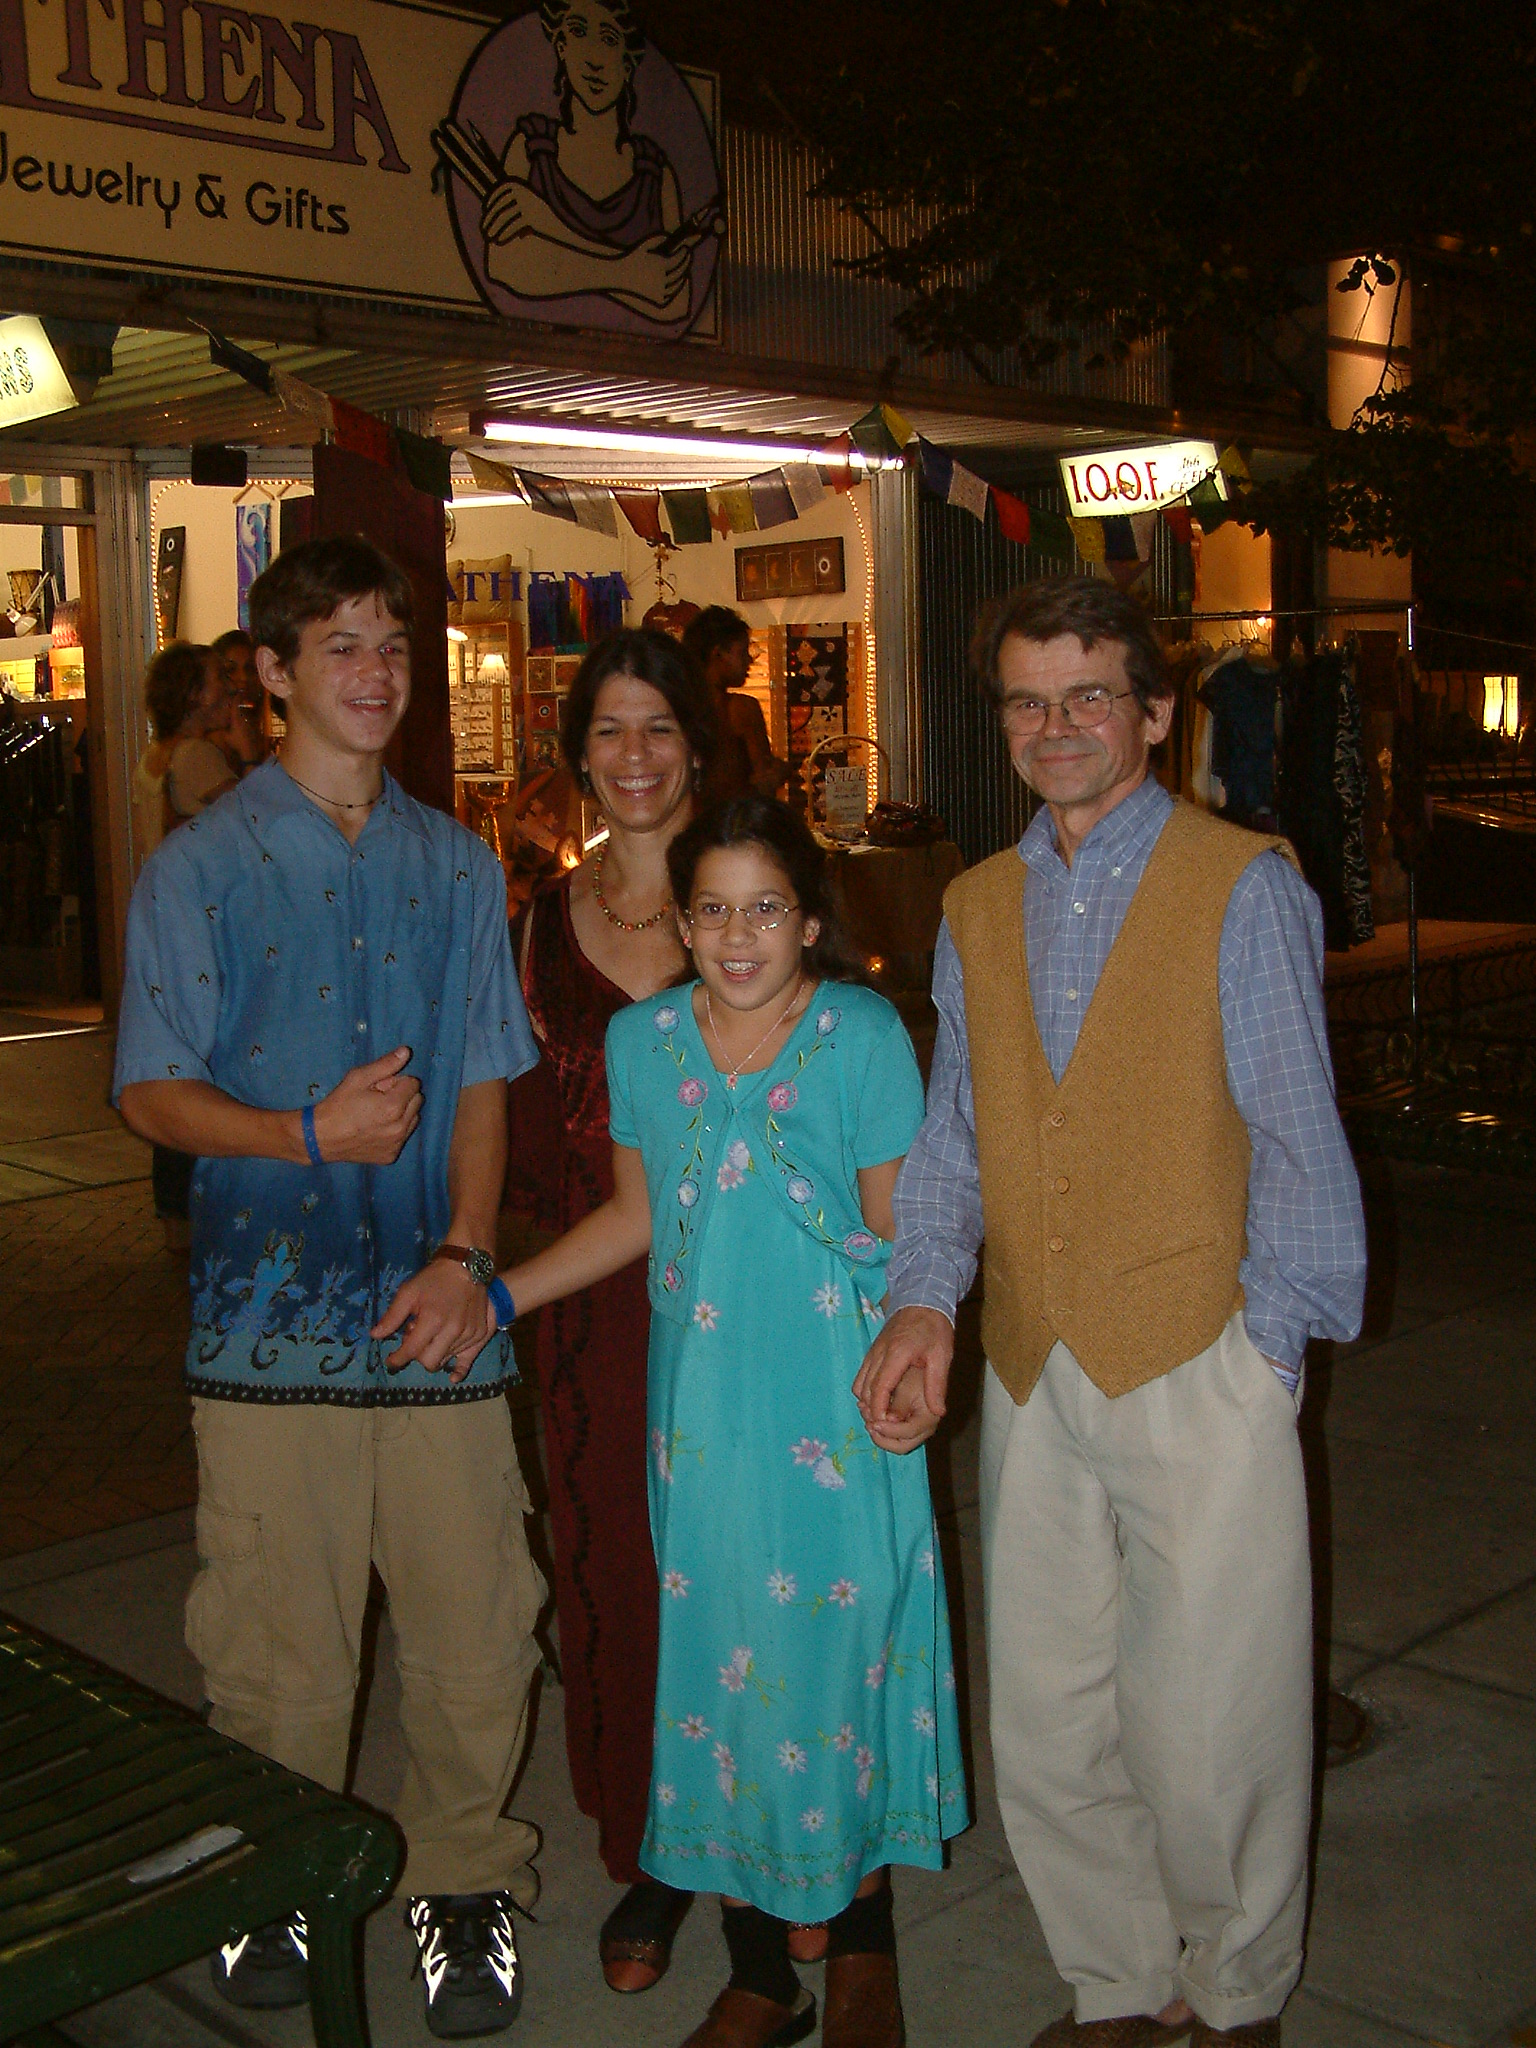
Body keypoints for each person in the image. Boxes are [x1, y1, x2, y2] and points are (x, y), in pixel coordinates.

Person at [856, 577, 1368, 2048]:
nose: (1058, 725)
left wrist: (1269, 1350)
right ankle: (1121, 1982)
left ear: (1154, 711)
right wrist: (926, 1305)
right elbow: (955, 1140)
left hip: (1200, 1347)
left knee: (1216, 1713)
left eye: (1090, 694)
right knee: (1050, 1709)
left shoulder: (1241, 883)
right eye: (1028, 700)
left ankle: (1238, 1990)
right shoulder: (976, 903)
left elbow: (1296, 1132)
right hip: (1032, 1359)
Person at [114, 536, 546, 2043]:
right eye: (341, 645)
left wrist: (470, 1250)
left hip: (440, 1317)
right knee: (277, 1646)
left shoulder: (458, 864)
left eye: (392, 645)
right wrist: (305, 1133)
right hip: (265, 1326)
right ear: (275, 672)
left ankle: (464, 1881)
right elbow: (149, 1090)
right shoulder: (197, 869)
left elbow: (483, 1075)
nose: (375, 672)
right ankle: (276, 1875)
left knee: (478, 1629)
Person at [494, 796, 967, 2048]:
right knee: (728, 1671)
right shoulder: (646, 1042)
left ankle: (860, 1946)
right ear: (680, 921)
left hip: (841, 1407)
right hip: (703, 1417)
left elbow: (902, 1231)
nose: (738, 932)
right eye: (712, 907)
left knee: (842, 1660)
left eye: (766, 907)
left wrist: (918, 1358)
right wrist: (500, 1292)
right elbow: (636, 1213)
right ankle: (763, 1969)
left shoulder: (862, 1031)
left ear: (809, 919)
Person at [505, 627, 715, 1994]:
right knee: (618, 1573)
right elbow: (518, 1132)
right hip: (591, 1305)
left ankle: (773, 1824)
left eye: (659, 727)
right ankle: (652, 1847)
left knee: (748, 1570)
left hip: (750, 1301)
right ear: (578, 753)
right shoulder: (537, 922)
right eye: (609, 729)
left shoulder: (753, 892)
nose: (635, 755)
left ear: (698, 745)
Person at [130, 641, 242, 1251]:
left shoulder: (158, 756)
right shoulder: (200, 756)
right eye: (220, 679)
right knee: (209, 1073)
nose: (233, 688)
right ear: (195, 695)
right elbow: (255, 827)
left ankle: (175, 1211)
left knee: (175, 1067)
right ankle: (201, 1208)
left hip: (167, 927)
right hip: (206, 930)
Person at [481, 0, 692, 316]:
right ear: (561, 48)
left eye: (609, 39)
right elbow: (503, 264)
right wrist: (631, 275)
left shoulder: (656, 173)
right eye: (579, 32)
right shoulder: (531, 146)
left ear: (627, 64)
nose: (594, 59)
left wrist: (546, 226)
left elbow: (676, 301)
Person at [682, 607, 788, 805]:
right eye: (742, 652)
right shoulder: (741, 708)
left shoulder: (674, 707)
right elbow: (764, 784)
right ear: (718, 654)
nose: (749, 660)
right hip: (734, 819)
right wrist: (781, 772)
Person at [208, 626, 271, 776]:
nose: (243, 678)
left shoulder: (257, 734)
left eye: (250, 669)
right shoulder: (205, 746)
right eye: (230, 670)